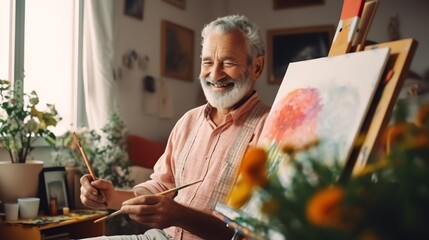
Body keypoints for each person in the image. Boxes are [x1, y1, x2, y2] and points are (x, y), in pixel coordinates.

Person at [80, 14, 270, 240]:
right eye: (207, 62)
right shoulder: (188, 121)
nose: (215, 74)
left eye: (228, 63)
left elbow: (255, 232)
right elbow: (161, 184)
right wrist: (111, 198)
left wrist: (180, 216)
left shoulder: (270, 127)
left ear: (257, 67)